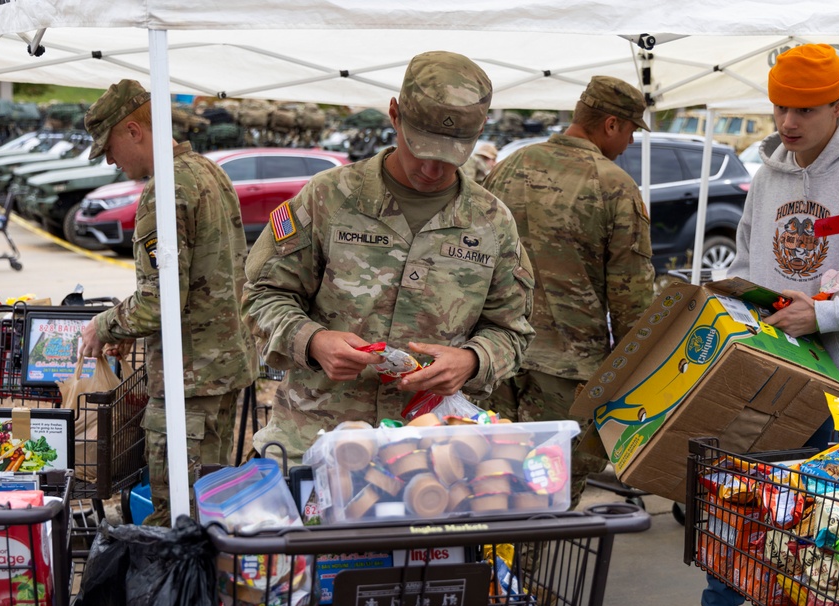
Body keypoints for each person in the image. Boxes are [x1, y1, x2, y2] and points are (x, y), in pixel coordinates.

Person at [634, 43, 839, 606]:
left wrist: (822, 313)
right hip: (764, 370)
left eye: (804, 110)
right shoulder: (766, 177)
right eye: (779, 107)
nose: (787, 122)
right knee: (734, 504)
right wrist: (741, 304)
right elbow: (744, 263)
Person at [242, 51, 535, 463]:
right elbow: (262, 295)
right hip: (319, 442)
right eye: (421, 149)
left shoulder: (492, 223)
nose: (433, 169)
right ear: (395, 114)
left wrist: (472, 360)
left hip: (433, 455)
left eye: (451, 154)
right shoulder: (328, 197)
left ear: (480, 130)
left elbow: (512, 330)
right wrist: (313, 341)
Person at [79, 79, 257, 526]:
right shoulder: (208, 172)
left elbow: (161, 301)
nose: (109, 159)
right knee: (209, 510)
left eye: (110, 145)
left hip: (187, 383)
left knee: (174, 518)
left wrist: (104, 326)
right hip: (221, 371)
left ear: (135, 131)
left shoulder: (167, 191)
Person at [481, 75, 656, 508]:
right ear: (611, 125)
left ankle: (497, 575)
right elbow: (631, 298)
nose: (631, 141)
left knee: (492, 484)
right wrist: (636, 374)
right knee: (547, 495)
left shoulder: (508, 166)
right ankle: (530, 578)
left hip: (495, 358)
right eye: (632, 129)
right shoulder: (613, 184)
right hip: (567, 372)